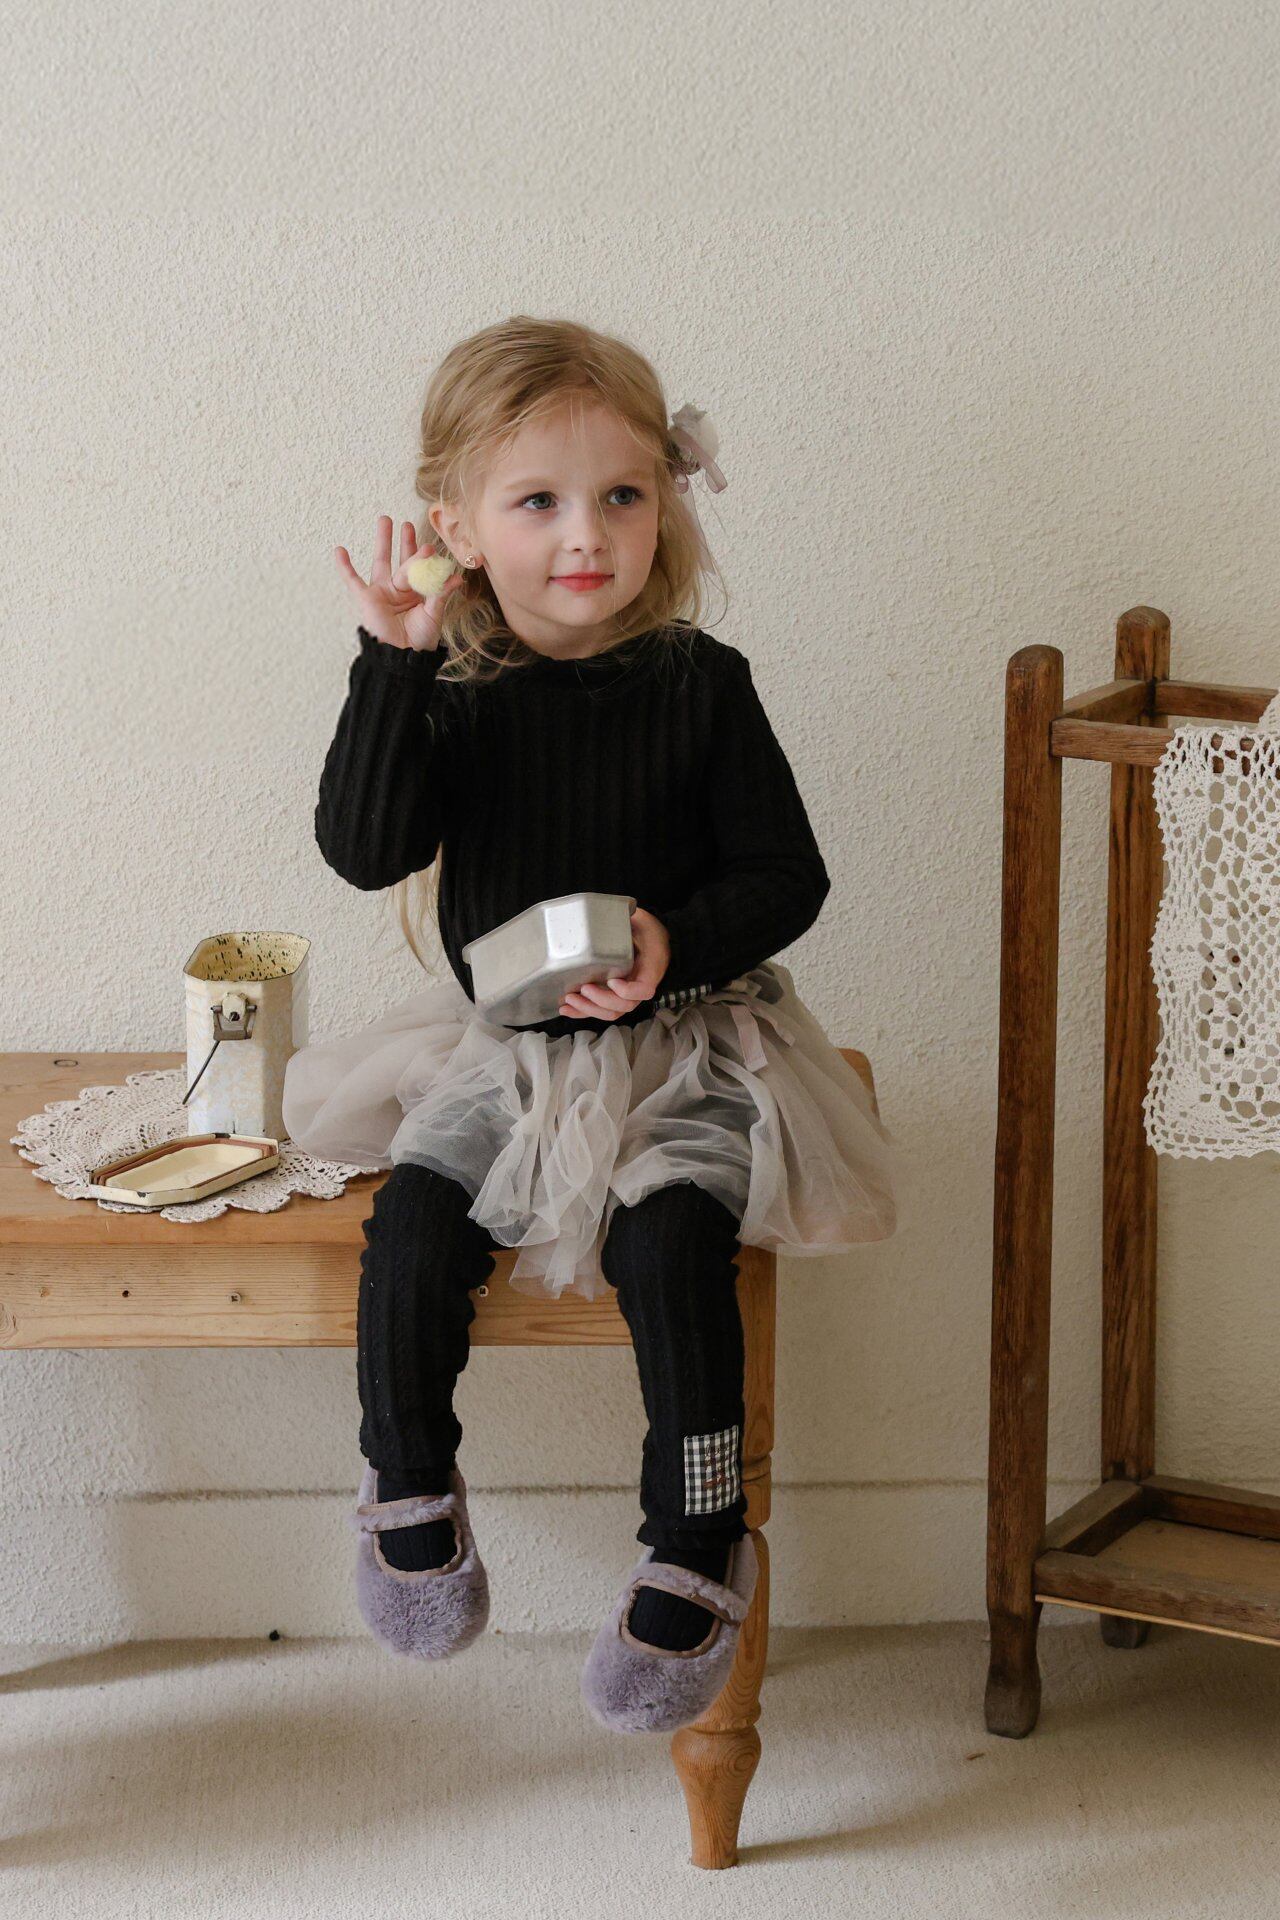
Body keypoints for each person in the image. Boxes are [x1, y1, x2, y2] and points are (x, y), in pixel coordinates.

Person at [282, 314, 904, 1732]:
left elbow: (789, 875)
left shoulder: (701, 684)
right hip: (509, 1058)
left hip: (687, 1046)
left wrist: (678, 944)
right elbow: (366, 851)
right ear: (456, 528)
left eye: (622, 494)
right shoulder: (452, 690)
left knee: (673, 1251)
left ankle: (699, 1540)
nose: (586, 535)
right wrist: (390, 663)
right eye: (539, 502)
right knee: (415, 1232)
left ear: (665, 504)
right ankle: (406, 1486)